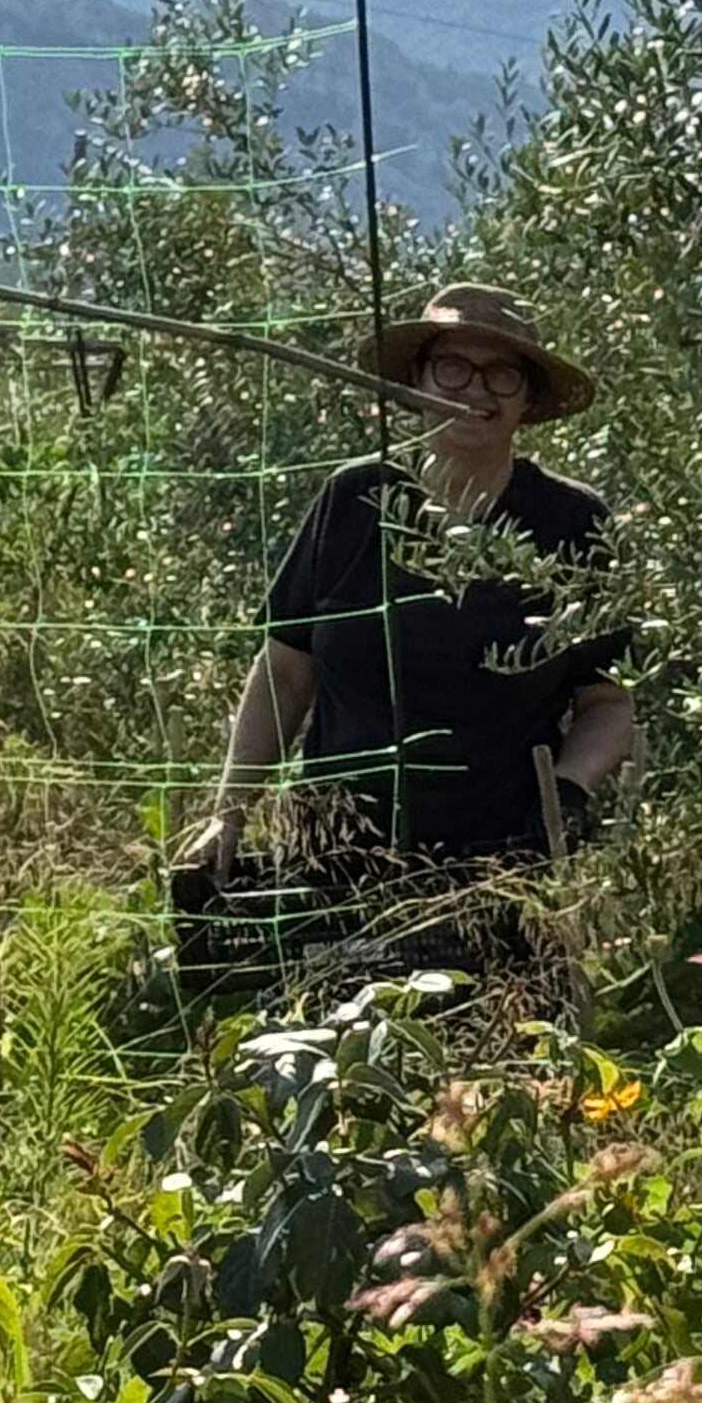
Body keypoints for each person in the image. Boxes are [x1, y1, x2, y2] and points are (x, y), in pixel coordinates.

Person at [173, 283, 636, 947]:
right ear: (416, 380)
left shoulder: (573, 523)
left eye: (502, 373)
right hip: (331, 861)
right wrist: (230, 814)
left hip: (501, 872)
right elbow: (283, 673)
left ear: (528, 399)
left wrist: (567, 796)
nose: (475, 390)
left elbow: (608, 702)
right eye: (452, 367)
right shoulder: (353, 500)